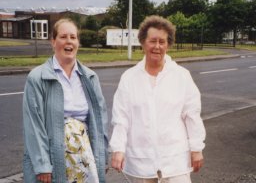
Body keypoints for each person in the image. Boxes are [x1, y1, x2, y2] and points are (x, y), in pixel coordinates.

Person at [110, 15, 206, 183]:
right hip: (141, 164)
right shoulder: (129, 78)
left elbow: (192, 115)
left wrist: (196, 148)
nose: (157, 46)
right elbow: (121, 118)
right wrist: (118, 149)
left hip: (175, 162)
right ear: (142, 42)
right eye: (152, 41)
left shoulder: (181, 76)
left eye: (162, 42)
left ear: (168, 44)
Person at [23, 18, 108, 183]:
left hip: (85, 159)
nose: (68, 41)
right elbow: (33, 125)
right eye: (63, 37)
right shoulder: (37, 77)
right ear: (53, 42)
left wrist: (102, 154)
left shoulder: (90, 77)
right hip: (54, 159)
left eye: (73, 37)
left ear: (78, 42)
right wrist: (42, 165)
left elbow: (100, 120)